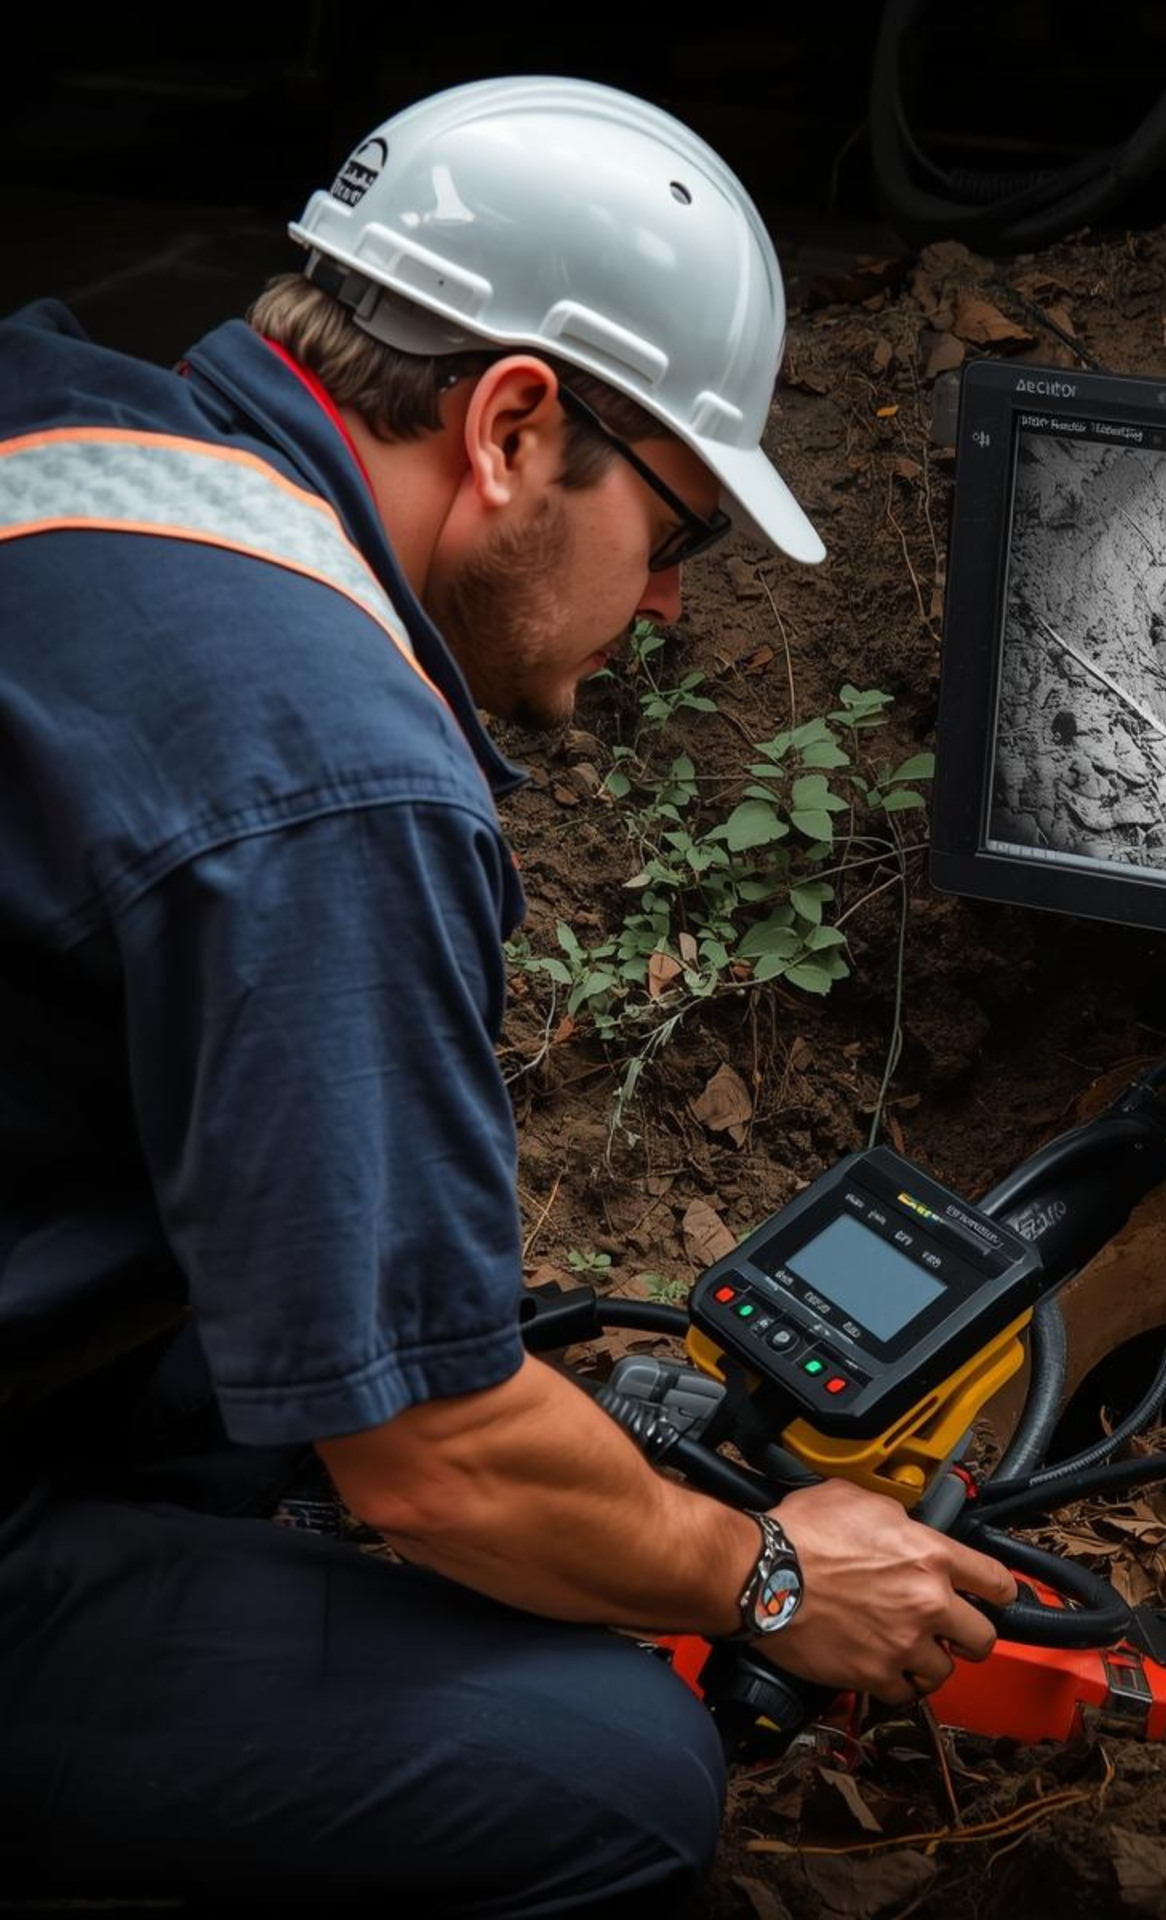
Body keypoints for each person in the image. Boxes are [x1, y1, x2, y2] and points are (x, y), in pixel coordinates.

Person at [0, 77, 1016, 1916]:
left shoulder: (56, 416)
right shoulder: (327, 757)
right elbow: (443, 1465)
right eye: (682, 532)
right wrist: (766, 1574)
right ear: (514, 427)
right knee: (609, 1775)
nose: (672, 611)